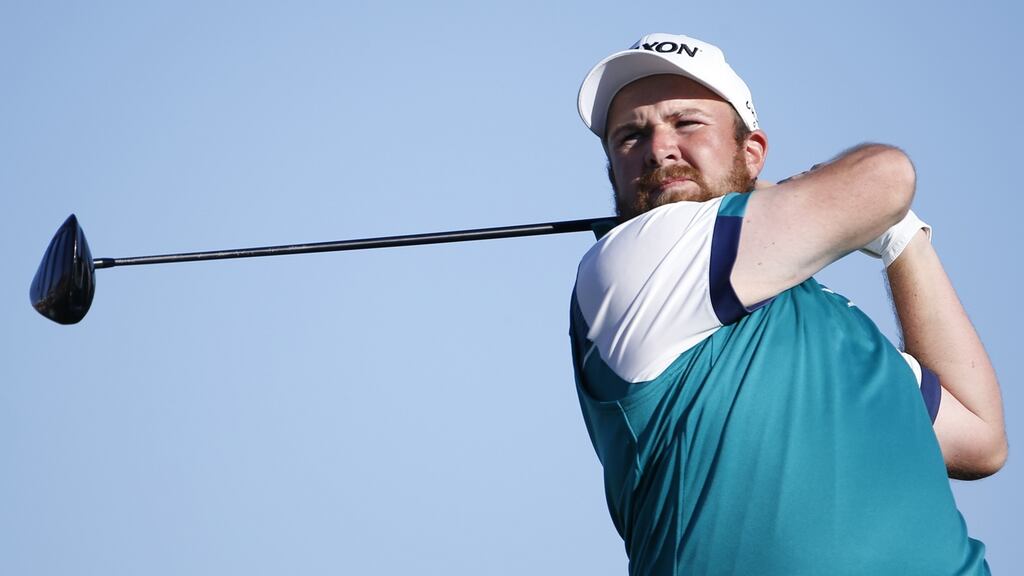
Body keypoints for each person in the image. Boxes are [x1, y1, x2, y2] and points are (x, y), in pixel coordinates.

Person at [568, 33, 1007, 575]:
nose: (659, 149)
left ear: (751, 152)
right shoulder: (635, 261)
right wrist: (857, 203)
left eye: (687, 123)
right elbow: (886, 174)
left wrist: (902, 238)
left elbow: (981, 439)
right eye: (631, 136)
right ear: (613, 172)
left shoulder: (836, 322)